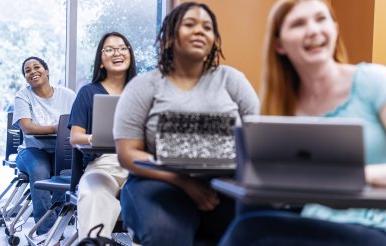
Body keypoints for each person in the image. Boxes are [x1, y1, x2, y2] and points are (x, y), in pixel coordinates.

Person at [220, 0, 386, 245]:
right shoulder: (283, 106)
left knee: (249, 230)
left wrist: (355, 175)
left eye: (321, 19)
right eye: (298, 23)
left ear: (335, 28)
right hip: (314, 222)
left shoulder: (374, 81)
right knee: (248, 215)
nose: (313, 30)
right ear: (279, 45)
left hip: (374, 226)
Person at [113, 2, 260, 245]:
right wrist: (183, 181)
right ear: (170, 37)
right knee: (167, 235)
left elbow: (257, 138)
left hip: (225, 181)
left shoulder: (232, 80)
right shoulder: (143, 86)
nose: (200, 31)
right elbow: (127, 154)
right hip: (156, 182)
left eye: (207, 27)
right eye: (190, 24)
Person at [68, 31, 137, 240]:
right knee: (94, 194)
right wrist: (93, 138)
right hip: (104, 164)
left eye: (122, 48)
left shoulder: (142, 91)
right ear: (100, 61)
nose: (117, 52)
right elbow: (75, 137)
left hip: (140, 165)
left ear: (130, 55)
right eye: (110, 49)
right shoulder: (88, 92)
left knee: (162, 196)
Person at [13, 56, 76, 235]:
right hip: (32, 151)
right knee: (40, 171)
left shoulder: (68, 95)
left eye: (37, 67)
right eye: (27, 70)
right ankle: (45, 233)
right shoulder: (23, 95)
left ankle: (57, 226)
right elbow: (27, 127)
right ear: (25, 77)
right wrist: (57, 128)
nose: (33, 71)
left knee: (67, 172)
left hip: (61, 150)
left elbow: (79, 123)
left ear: (46, 71)